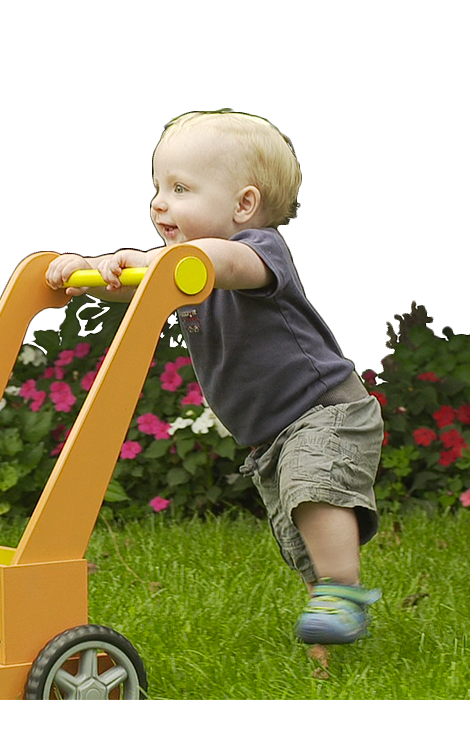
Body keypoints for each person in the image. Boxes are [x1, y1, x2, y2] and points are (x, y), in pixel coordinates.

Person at [45, 109, 383, 647]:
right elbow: (137, 281)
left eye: (180, 188)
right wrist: (91, 268)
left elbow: (219, 262)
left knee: (314, 490)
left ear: (243, 205)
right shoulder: (181, 264)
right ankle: (332, 634)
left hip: (326, 411)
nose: (159, 202)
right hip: (269, 434)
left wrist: (165, 258)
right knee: (300, 539)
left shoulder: (257, 250)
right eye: (157, 187)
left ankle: (344, 592)